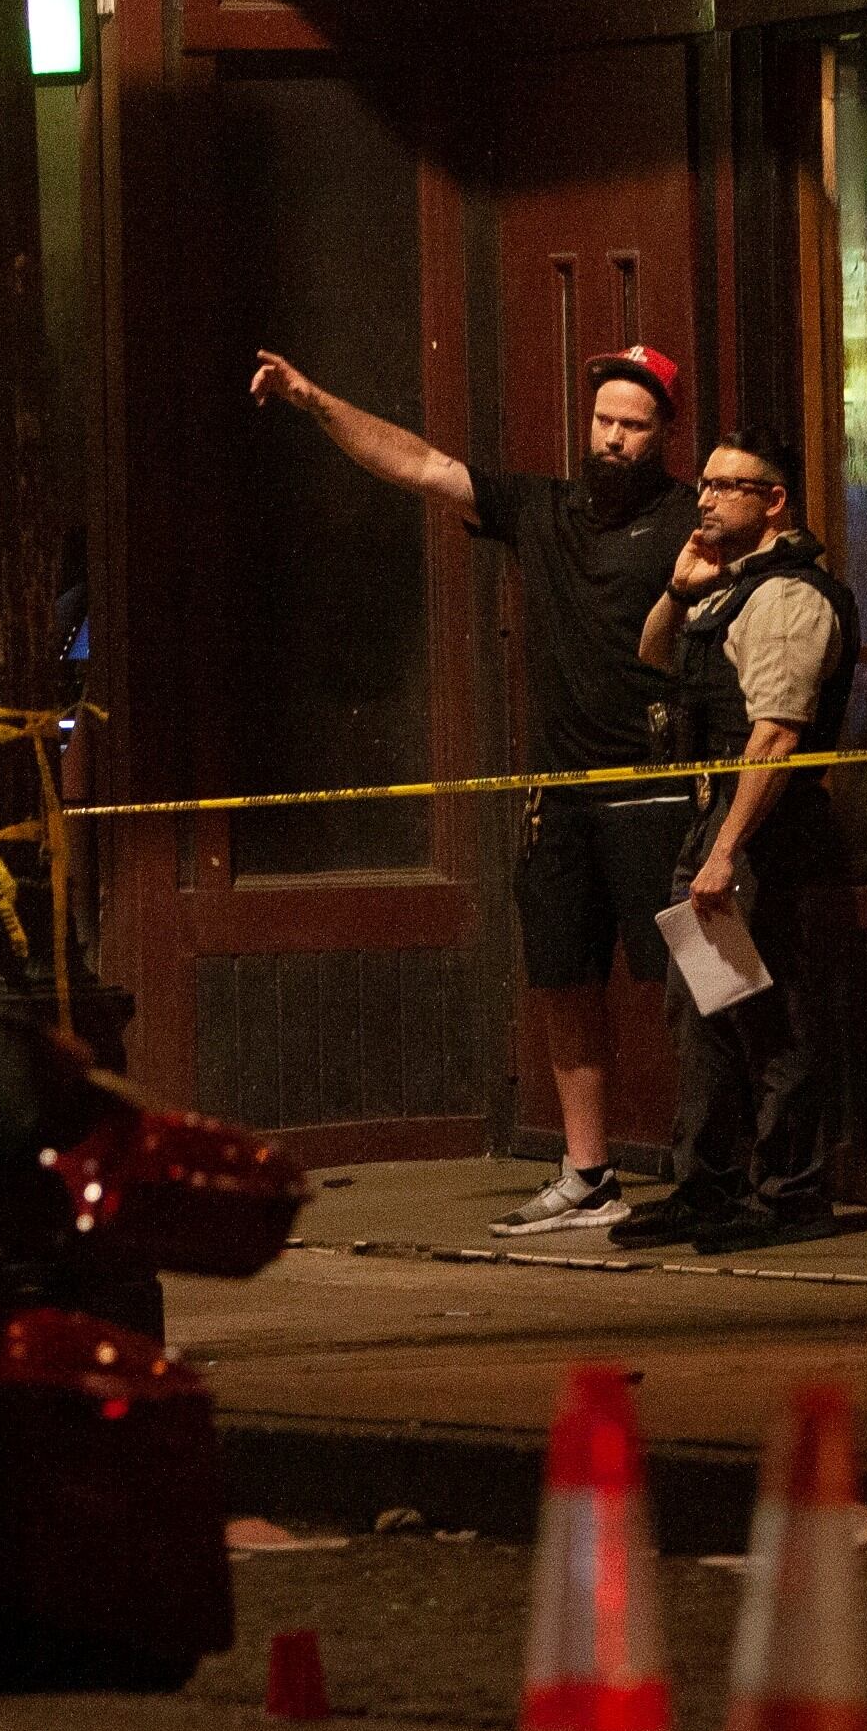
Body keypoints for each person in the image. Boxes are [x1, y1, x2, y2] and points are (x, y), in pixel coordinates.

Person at [247, 340, 693, 1236]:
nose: (612, 438)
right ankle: (589, 1171)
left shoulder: (690, 517)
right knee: (563, 978)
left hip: (660, 786)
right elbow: (420, 464)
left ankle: (728, 1168)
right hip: (558, 793)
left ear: (661, 435)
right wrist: (314, 400)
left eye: (633, 427)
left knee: (699, 984)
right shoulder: (544, 507)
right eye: (604, 420)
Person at [610, 428, 858, 1255]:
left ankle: (788, 1192)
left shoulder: (789, 596)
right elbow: (655, 658)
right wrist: (680, 593)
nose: (706, 498)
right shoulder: (729, 588)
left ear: (774, 499)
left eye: (727, 485)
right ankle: (710, 1187)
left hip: (762, 830)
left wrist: (725, 853)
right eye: (704, 484)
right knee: (706, 1009)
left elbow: (777, 737)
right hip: (716, 816)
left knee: (766, 1014)